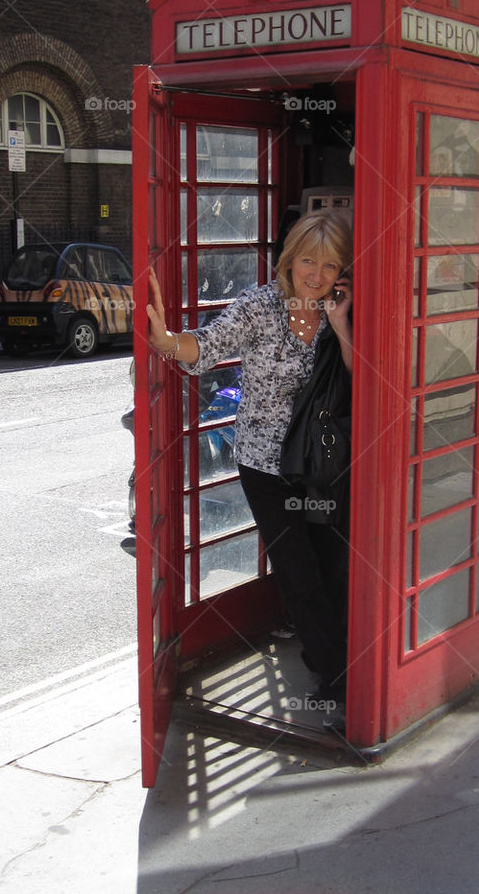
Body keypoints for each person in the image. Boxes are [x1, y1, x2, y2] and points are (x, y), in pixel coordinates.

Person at [146, 211, 354, 710]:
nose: (316, 275)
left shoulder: (341, 307)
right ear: (289, 260)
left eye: (329, 265)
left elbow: (363, 375)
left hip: (322, 465)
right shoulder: (259, 306)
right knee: (298, 571)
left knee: (332, 565)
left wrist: (342, 323)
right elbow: (209, 345)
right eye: (308, 260)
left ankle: (337, 655)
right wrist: (167, 341)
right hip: (266, 463)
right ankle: (337, 679)